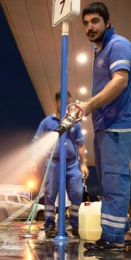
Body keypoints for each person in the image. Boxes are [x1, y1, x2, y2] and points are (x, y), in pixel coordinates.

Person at [73, 2, 131, 251]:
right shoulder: (99, 51)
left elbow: (120, 81)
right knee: (109, 184)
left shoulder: (117, 45)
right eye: (86, 23)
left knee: (115, 183)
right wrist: (86, 106)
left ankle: (113, 239)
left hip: (117, 127)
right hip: (105, 127)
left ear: (107, 22)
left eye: (95, 21)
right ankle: (115, 234)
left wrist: (89, 105)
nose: (90, 27)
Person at [33, 91, 88, 239]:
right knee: (50, 195)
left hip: (72, 164)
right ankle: (50, 225)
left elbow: (81, 145)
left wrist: (84, 164)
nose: (64, 105)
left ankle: (74, 224)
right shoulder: (47, 122)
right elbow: (37, 142)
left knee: (77, 193)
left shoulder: (75, 123)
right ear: (55, 103)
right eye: (61, 101)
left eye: (67, 102)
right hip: (53, 163)